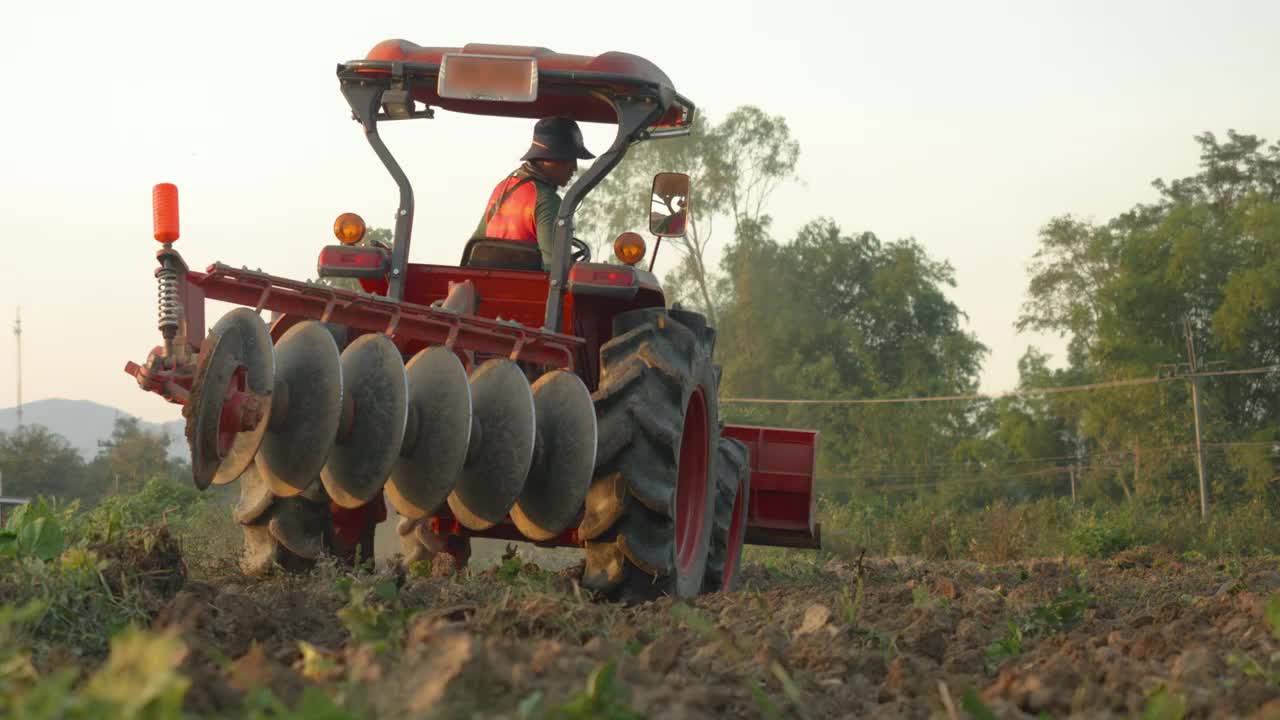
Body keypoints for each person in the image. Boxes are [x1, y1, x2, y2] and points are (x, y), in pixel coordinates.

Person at [469, 116, 595, 269]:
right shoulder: (547, 200)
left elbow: (476, 244)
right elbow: (555, 268)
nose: (574, 168)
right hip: (529, 290)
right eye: (569, 159)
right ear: (548, 159)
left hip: (490, 286)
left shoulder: (502, 188)